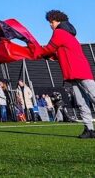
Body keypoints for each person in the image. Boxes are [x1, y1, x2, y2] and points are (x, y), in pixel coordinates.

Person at [31, 9, 95, 138]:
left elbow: (49, 48)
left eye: (52, 21)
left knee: (92, 96)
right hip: (75, 72)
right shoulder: (68, 34)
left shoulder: (59, 32)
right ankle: (89, 129)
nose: (50, 24)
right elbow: (59, 53)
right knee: (82, 102)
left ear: (58, 21)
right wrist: (50, 56)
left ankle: (89, 129)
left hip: (79, 71)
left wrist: (37, 52)